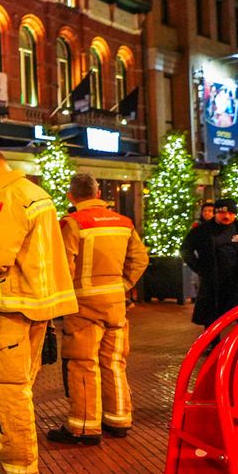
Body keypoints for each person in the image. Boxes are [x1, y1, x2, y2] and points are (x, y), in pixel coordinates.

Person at [0, 142, 77, 474]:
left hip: (9, 304)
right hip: (34, 303)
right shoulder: (34, 192)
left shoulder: (6, 197)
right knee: (20, 383)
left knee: (6, 389)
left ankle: (18, 467)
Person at [49, 173, 150, 445]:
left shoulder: (72, 223)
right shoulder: (123, 222)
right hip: (115, 302)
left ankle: (83, 426)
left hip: (83, 304)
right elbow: (140, 259)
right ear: (97, 193)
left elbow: (65, 265)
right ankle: (118, 418)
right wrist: (123, 284)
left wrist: (62, 297)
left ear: (72, 196)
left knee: (83, 363)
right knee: (114, 361)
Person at [181, 198, 238, 326]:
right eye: (222, 213)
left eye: (231, 213)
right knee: (212, 319)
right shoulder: (202, 230)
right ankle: (213, 345)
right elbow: (185, 249)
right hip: (214, 281)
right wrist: (200, 268)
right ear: (216, 213)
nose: (227, 216)